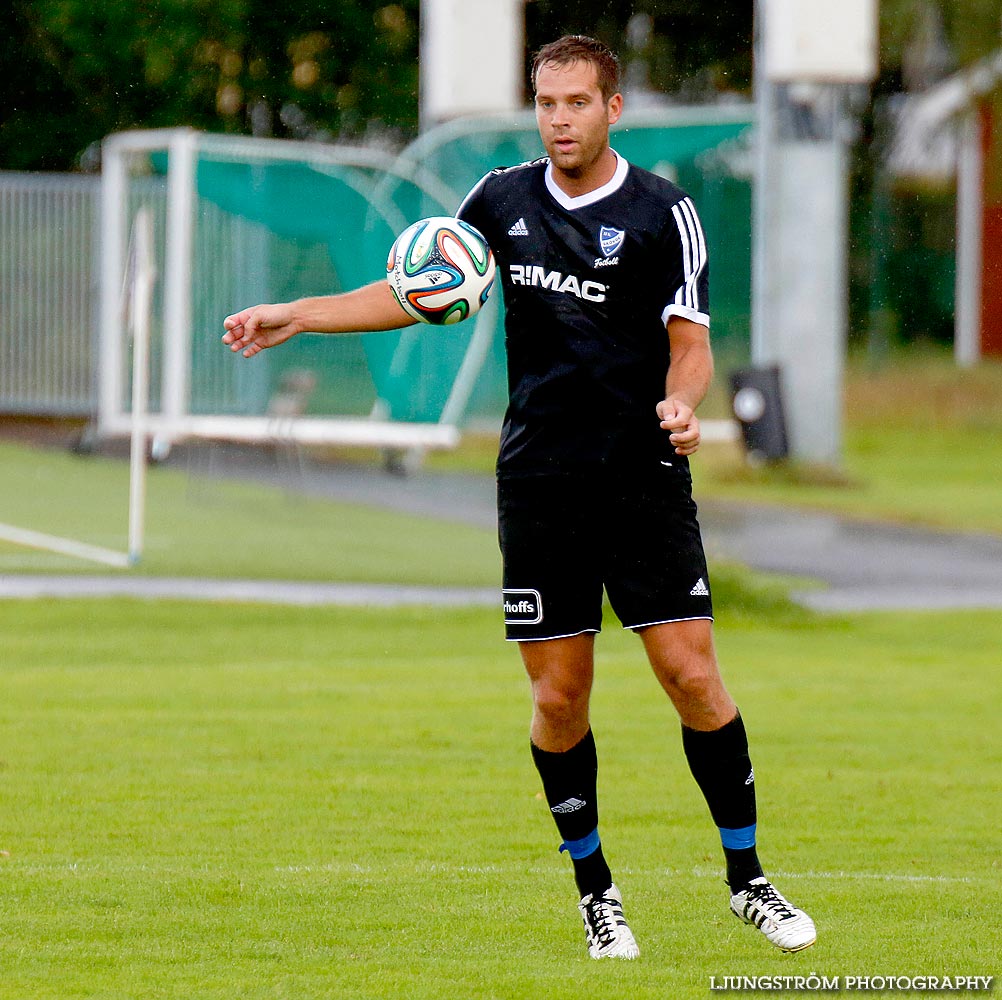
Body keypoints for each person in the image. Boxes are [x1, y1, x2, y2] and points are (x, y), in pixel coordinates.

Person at [223, 34, 816, 961]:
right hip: (540, 479)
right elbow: (414, 288)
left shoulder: (667, 214)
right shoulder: (496, 199)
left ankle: (748, 880)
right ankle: (597, 895)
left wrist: (681, 401)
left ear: (613, 108)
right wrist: (297, 316)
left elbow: (690, 341)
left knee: (693, 677)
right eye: (546, 103)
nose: (560, 120)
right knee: (558, 699)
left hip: (641, 478)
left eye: (577, 102)